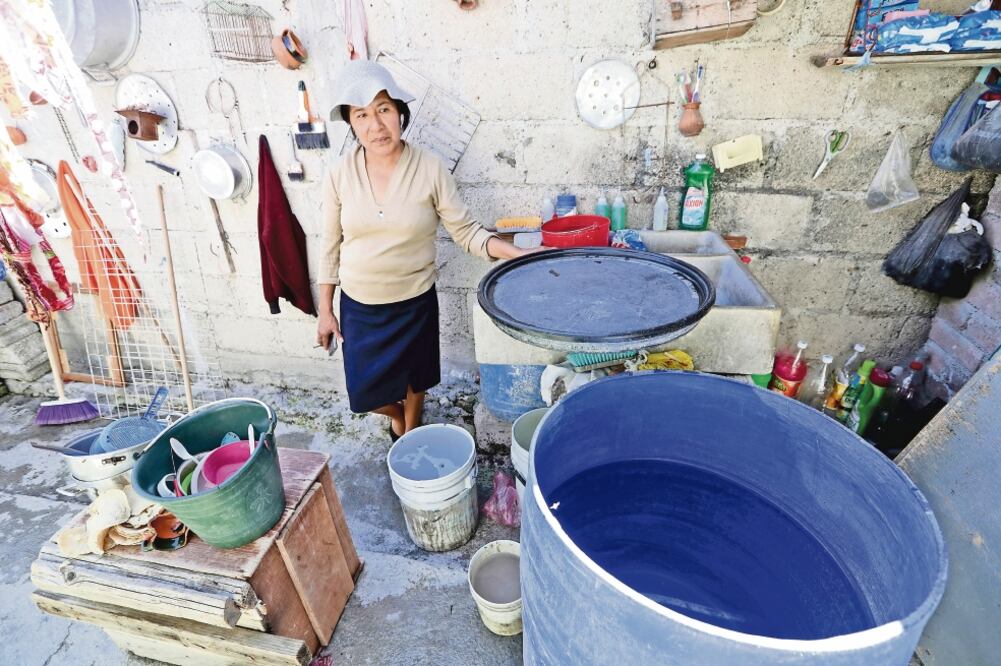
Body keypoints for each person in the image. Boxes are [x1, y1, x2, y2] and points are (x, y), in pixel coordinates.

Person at [316, 60, 532, 441]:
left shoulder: (430, 169)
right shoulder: (340, 174)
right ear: (351, 123)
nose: (376, 125)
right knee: (363, 394)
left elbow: (467, 232)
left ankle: (409, 432)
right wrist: (324, 311)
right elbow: (330, 246)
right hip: (361, 307)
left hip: (414, 302)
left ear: (400, 112)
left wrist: (523, 254)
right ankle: (397, 415)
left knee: (416, 381)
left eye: (383, 110)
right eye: (362, 115)